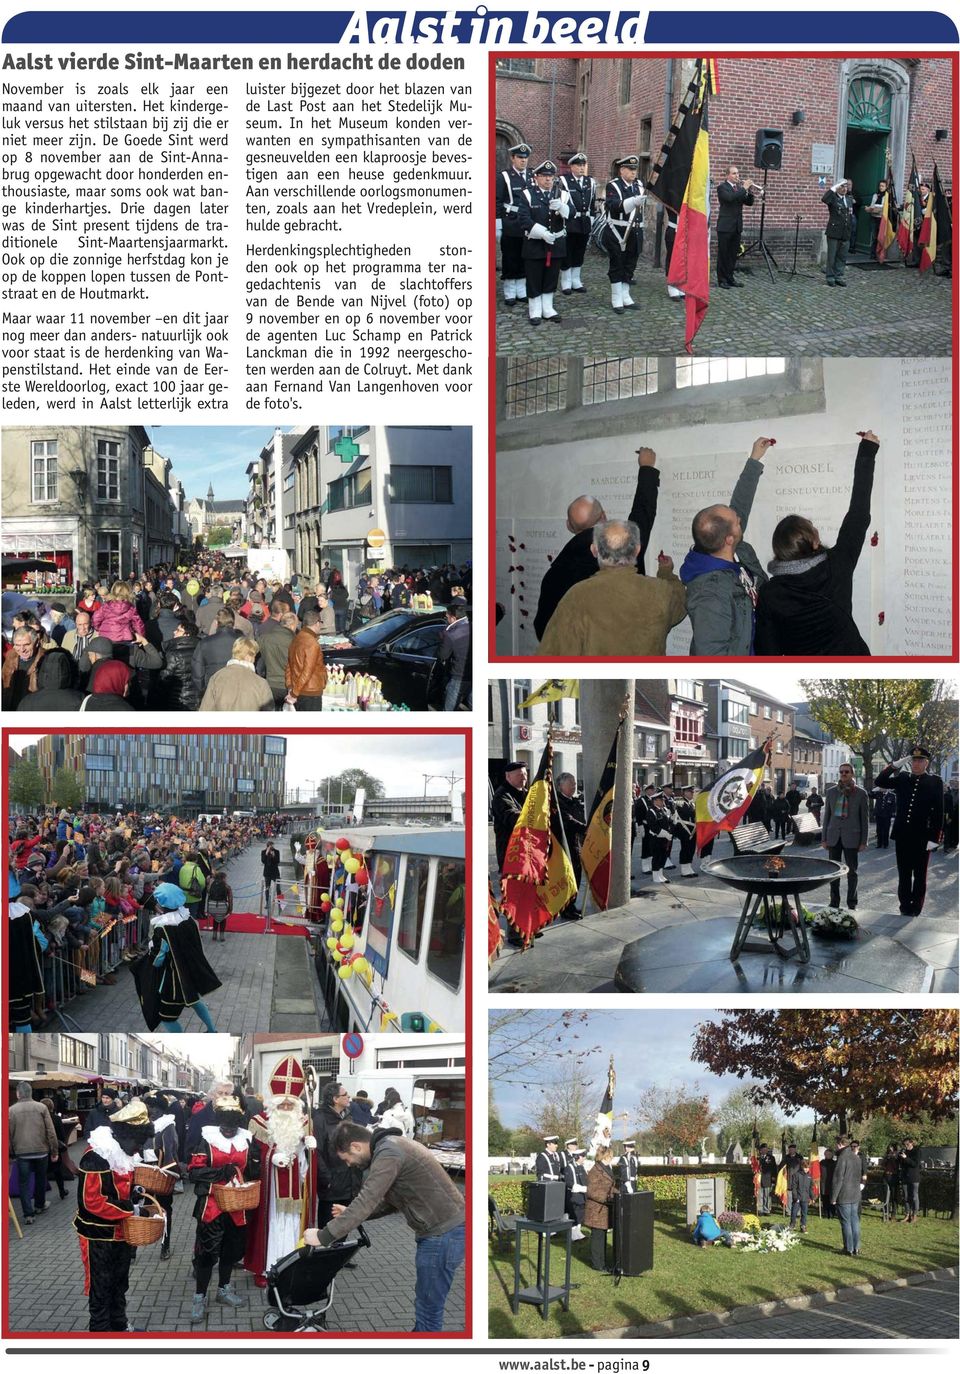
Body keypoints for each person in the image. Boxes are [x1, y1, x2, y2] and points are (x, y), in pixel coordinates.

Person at [304, 1119, 466, 1332]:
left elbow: (368, 1198)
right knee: (426, 1304)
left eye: (347, 1158)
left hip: (443, 1233)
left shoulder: (389, 1152)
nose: (348, 1164)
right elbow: (388, 1202)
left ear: (356, 1146)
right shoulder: (391, 1145)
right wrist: (352, 1213)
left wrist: (324, 1236)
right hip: (443, 1231)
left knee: (429, 1308)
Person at [755, 432, 879, 656]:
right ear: (814, 542)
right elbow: (858, 515)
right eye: (813, 529)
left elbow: (767, 651)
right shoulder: (837, 564)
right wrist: (867, 452)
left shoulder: (770, 594)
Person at [534, 446, 661, 640]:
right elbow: (642, 515)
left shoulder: (554, 574)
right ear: (604, 517)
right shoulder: (620, 552)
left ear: (569, 526)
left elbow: (542, 628)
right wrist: (646, 469)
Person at [679, 437, 774, 655]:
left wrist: (754, 461)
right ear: (728, 539)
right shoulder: (709, 594)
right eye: (738, 522)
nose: (740, 519)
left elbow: (739, 506)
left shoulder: (736, 550)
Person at [539, 520, 686, 656]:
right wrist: (666, 573)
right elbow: (681, 604)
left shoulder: (577, 596)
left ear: (594, 550)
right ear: (637, 550)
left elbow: (552, 653)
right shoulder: (660, 592)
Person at [73, 1099, 154, 1332]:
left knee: (120, 1282)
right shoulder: (96, 1156)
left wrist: (135, 1192)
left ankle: (118, 1325)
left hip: (121, 1232)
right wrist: (130, 1208)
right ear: (124, 1135)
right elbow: (92, 1202)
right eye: (137, 1142)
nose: (138, 1148)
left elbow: (120, 1185)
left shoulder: (123, 1151)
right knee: (101, 1287)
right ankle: (100, 1332)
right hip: (98, 1235)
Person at [188, 1093, 260, 1322]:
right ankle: (199, 1296)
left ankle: (223, 1289)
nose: (228, 1130)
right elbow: (194, 1171)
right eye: (225, 1125)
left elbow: (252, 1172)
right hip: (212, 1206)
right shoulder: (207, 1140)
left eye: (233, 1125)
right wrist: (222, 1172)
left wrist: (256, 1164)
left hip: (238, 1205)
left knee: (231, 1251)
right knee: (207, 1254)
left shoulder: (247, 1140)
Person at [244, 1061, 318, 1284]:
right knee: (273, 1224)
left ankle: (291, 1266)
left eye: (290, 1106)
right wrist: (271, 1158)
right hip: (271, 1188)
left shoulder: (305, 1122)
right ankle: (267, 1268)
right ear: (274, 1105)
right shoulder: (259, 1123)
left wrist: (311, 1147)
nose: (286, 1109)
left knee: (294, 1223)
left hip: (296, 1184)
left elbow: (307, 1160)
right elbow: (250, 1156)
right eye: (282, 1106)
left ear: (297, 1106)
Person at [131, 882, 220, 1033]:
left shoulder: (163, 928)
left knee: (167, 1017)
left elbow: (158, 959)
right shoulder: (189, 920)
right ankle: (212, 1030)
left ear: (161, 902)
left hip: (173, 980)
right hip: (191, 972)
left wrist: (151, 950)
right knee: (195, 1001)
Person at [874, 747, 944, 915]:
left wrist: (934, 839)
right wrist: (896, 765)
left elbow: (938, 813)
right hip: (903, 835)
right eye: (914, 760)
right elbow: (880, 781)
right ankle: (904, 906)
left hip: (922, 836)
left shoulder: (935, 781)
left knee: (920, 875)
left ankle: (916, 907)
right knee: (904, 874)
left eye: (920, 761)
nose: (916, 764)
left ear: (926, 763)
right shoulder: (903, 778)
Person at [517, 159, 569, 325]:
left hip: (556, 244)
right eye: (544, 176)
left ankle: (548, 308)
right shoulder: (527, 194)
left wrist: (562, 207)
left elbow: (572, 214)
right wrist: (542, 233)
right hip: (535, 244)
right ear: (536, 177)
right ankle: (535, 310)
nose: (548, 179)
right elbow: (523, 219)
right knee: (534, 276)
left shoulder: (562, 194)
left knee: (551, 276)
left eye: (551, 176)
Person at [9, 1081, 59, 1224]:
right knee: (40, 1178)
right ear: (30, 1093)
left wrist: (12, 1152)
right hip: (41, 1151)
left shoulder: (11, 1110)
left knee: (23, 1183)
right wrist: (54, 1150)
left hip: (21, 1152)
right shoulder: (41, 1107)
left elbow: (8, 1134)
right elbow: (50, 1131)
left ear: (18, 1094)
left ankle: (28, 1214)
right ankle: (39, 1205)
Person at [312, 1081, 360, 1228]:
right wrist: (327, 1179)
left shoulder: (348, 1118)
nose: (349, 1097)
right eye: (345, 1095)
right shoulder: (320, 1119)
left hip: (349, 1183)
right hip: (332, 1186)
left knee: (344, 1227)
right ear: (335, 1099)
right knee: (329, 1228)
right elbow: (317, 1152)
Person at [142, 1090, 182, 1261]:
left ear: (162, 1110)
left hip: (162, 1174)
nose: (153, 1112)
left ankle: (165, 1245)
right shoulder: (144, 1123)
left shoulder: (167, 1125)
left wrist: (156, 1161)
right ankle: (134, 1246)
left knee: (165, 1210)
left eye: (155, 1109)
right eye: (150, 1108)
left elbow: (171, 1149)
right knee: (142, 1209)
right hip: (143, 1174)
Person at [823, 763, 869, 908]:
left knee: (852, 872)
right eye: (841, 771)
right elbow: (827, 817)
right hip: (834, 837)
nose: (843, 774)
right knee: (833, 871)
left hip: (852, 838)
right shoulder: (831, 792)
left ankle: (852, 903)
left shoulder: (861, 794)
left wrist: (864, 841)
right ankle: (834, 901)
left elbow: (864, 819)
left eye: (847, 772)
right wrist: (824, 838)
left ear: (852, 774)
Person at [602, 155, 644, 312]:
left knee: (630, 264)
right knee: (617, 264)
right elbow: (612, 206)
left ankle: (626, 296)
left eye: (635, 169)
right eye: (630, 169)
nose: (633, 173)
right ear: (622, 170)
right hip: (617, 232)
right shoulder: (613, 186)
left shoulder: (639, 186)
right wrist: (633, 202)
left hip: (635, 231)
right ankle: (616, 298)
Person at [496, 142, 534, 308]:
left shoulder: (533, 176)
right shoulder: (503, 176)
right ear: (513, 158)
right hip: (510, 221)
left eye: (525, 158)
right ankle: (510, 291)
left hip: (527, 222)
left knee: (525, 255)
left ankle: (521, 290)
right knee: (510, 256)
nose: (523, 161)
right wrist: (497, 223)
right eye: (520, 157)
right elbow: (496, 200)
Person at [200, 635, 274, 712]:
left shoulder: (216, 678)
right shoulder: (261, 683)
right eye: (254, 656)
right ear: (248, 657)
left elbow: (205, 710)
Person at [558, 153, 596, 294]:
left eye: (583, 165)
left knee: (580, 251)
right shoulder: (564, 181)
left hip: (584, 221)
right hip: (570, 221)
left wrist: (591, 220)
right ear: (571, 166)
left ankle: (576, 280)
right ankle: (566, 282)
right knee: (568, 251)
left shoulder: (589, 182)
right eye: (578, 165)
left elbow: (592, 204)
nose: (581, 168)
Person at [715, 164, 756, 288]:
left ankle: (730, 278)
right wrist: (744, 188)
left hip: (737, 226)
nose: (737, 175)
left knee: (733, 254)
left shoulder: (739, 189)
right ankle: (722, 280)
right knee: (723, 254)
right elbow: (730, 199)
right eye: (734, 173)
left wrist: (749, 191)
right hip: (725, 227)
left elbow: (749, 202)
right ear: (727, 175)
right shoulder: (722, 188)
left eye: (737, 173)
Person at [556, 772, 587, 918]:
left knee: (577, 875)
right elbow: (568, 821)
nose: (574, 786)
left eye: (574, 783)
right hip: (563, 846)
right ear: (561, 786)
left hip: (576, 845)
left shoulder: (574, 801)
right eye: (570, 784)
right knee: (568, 877)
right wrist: (586, 828)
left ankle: (572, 904)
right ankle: (565, 909)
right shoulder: (557, 802)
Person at [285, 608, 328, 711]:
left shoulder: (297, 638)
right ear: (317, 623)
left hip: (298, 688)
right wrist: (294, 693)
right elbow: (307, 671)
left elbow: (289, 665)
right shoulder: (312, 643)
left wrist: (290, 686)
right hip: (310, 691)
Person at [584, 1145, 618, 1271]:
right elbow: (592, 1191)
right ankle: (598, 1264)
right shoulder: (595, 1170)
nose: (612, 1158)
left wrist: (618, 1193)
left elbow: (609, 1187)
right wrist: (607, 1198)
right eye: (610, 1155)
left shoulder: (606, 1168)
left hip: (603, 1209)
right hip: (596, 1210)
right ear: (605, 1155)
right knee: (598, 1238)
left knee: (601, 1237)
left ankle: (601, 1261)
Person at [492, 761, 528, 875]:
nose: (523, 777)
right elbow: (512, 817)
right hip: (511, 851)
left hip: (526, 850)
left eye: (525, 774)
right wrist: (535, 816)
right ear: (508, 776)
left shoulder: (528, 793)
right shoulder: (501, 795)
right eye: (519, 775)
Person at [436, 597, 471, 711]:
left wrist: (442, 638)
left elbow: (442, 655)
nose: (446, 618)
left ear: (453, 617)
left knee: (448, 710)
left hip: (458, 677)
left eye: (447, 616)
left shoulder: (450, 635)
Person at [830, 1135, 862, 1255]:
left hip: (844, 1194)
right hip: (855, 1194)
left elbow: (838, 1179)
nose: (835, 1147)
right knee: (855, 1221)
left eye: (836, 1144)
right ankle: (856, 1247)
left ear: (839, 1144)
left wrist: (833, 1197)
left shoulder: (842, 1158)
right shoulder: (856, 1157)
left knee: (846, 1222)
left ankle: (848, 1248)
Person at [822, 178, 854, 286]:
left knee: (842, 256)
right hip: (834, 231)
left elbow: (849, 215)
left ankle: (838, 275)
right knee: (832, 256)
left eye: (845, 186)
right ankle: (830, 277)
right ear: (837, 187)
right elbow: (824, 199)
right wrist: (833, 188)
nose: (844, 189)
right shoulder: (833, 199)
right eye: (842, 186)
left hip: (845, 232)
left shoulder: (849, 199)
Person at [563, 1146, 588, 1240]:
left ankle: (578, 1231)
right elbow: (568, 1182)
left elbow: (585, 1179)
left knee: (581, 1214)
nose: (584, 1158)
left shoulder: (581, 1167)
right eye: (583, 1156)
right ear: (577, 1157)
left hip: (582, 1195)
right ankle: (573, 1234)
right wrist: (581, 1188)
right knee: (574, 1214)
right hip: (574, 1196)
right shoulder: (569, 1167)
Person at [205, 869, 233, 942]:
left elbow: (208, 892)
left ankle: (214, 935)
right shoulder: (227, 886)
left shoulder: (212, 884)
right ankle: (221, 936)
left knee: (215, 919)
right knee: (222, 919)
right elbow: (230, 899)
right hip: (222, 906)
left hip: (212, 906)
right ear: (223, 878)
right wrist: (230, 910)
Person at [898, 1138, 921, 1223]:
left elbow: (915, 1164)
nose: (906, 1146)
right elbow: (900, 1164)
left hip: (914, 1177)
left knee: (914, 1197)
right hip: (905, 1177)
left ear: (912, 1143)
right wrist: (900, 1157)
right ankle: (907, 1215)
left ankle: (914, 1215)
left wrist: (906, 1158)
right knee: (906, 1197)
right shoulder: (904, 1152)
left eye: (907, 1144)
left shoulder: (917, 1151)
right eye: (904, 1145)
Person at [790, 1159, 813, 1233]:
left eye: (808, 1168)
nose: (806, 1169)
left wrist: (812, 1197)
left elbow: (810, 1188)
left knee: (804, 1213)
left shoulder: (809, 1177)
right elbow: (794, 1187)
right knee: (794, 1212)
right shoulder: (796, 1175)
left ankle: (803, 1226)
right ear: (802, 1167)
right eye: (805, 1167)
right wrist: (795, 1197)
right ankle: (792, 1224)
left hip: (805, 1198)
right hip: (797, 1198)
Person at [873, 784, 896, 848]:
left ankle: (885, 844)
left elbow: (894, 806)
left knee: (886, 830)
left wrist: (893, 816)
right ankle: (879, 844)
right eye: (881, 787)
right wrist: (877, 788)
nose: (882, 788)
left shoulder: (892, 795)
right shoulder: (878, 794)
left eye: (883, 787)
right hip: (879, 815)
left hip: (887, 815)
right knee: (879, 830)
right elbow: (870, 794)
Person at [881, 1144, 901, 1221]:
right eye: (889, 1148)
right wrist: (887, 1157)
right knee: (885, 1195)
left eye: (892, 1148)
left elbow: (898, 1166)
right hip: (886, 1175)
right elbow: (882, 1165)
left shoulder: (898, 1156)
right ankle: (886, 1212)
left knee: (893, 1196)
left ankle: (893, 1214)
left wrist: (894, 1157)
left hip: (894, 1176)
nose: (890, 1149)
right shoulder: (887, 1155)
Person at [757, 1143, 778, 1216]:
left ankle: (767, 1210)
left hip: (768, 1179)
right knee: (760, 1195)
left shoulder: (771, 1158)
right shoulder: (757, 1158)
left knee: (767, 1195)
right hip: (759, 1179)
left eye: (766, 1149)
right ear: (760, 1150)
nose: (764, 1150)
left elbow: (774, 1168)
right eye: (763, 1149)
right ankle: (760, 1210)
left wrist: (774, 1177)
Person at [820, 1147, 836, 1219]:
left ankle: (832, 1213)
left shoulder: (835, 1163)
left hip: (832, 1184)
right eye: (826, 1154)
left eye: (829, 1154)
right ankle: (826, 1213)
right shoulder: (821, 1163)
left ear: (832, 1155)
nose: (828, 1155)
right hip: (823, 1184)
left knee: (832, 1199)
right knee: (825, 1200)